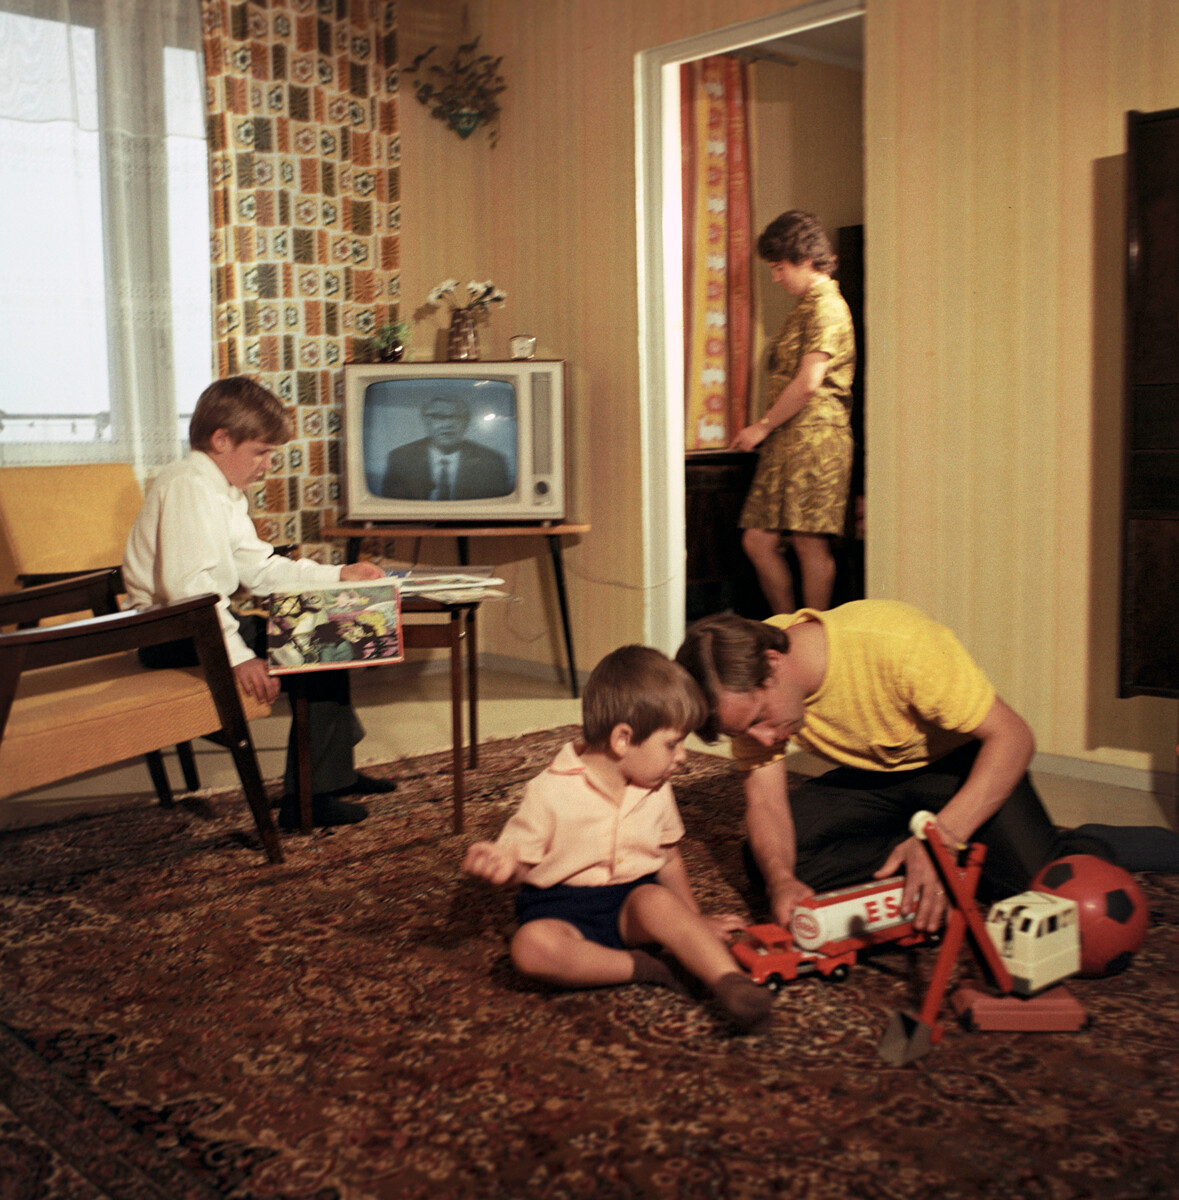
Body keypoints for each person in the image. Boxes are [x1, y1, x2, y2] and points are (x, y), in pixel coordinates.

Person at [675, 601, 1140, 934]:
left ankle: (1076, 842)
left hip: (958, 765)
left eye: (758, 719)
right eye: (744, 733)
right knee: (769, 867)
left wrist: (945, 837)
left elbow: (1014, 737)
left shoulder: (897, 644)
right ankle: (933, 859)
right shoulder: (742, 684)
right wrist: (781, 880)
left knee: (1038, 893)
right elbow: (765, 801)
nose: (760, 738)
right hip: (875, 778)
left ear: (773, 664)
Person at [123, 375, 396, 830]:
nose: (267, 464)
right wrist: (238, 657)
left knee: (337, 626)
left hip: (197, 625)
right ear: (221, 439)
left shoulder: (220, 491)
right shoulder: (189, 486)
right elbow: (192, 590)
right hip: (174, 634)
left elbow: (262, 569)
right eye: (261, 452)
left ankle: (331, 774)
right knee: (324, 643)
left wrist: (338, 575)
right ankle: (308, 799)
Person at [461, 645, 773, 1034]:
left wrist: (693, 922)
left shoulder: (656, 787)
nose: (681, 758)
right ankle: (646, 968)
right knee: (529, 948)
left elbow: (669, 859)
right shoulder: (549, 792)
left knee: (658, 901)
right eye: (672, 744)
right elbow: (519, 861)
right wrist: (503, 865)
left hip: (631, 904)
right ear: (623, 739)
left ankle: (730, 982)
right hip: (561, 910)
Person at [730, 210, 856, 614]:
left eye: (779, 268)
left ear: (804, 260)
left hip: (816, 438)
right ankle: (785, 626)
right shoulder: (805, 307)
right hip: (790, 438)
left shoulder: (827, 307)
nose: (776, 278)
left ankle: (812, 632)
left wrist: (763, 426)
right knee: (758, 540)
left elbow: (808, 381)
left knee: (808, 541)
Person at [381, 395, 511, 501]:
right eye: (438, 417)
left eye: (456, 417)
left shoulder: (492, 460)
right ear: (426, 422)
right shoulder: (399, 457)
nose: (447, 424)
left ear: (466, 423)